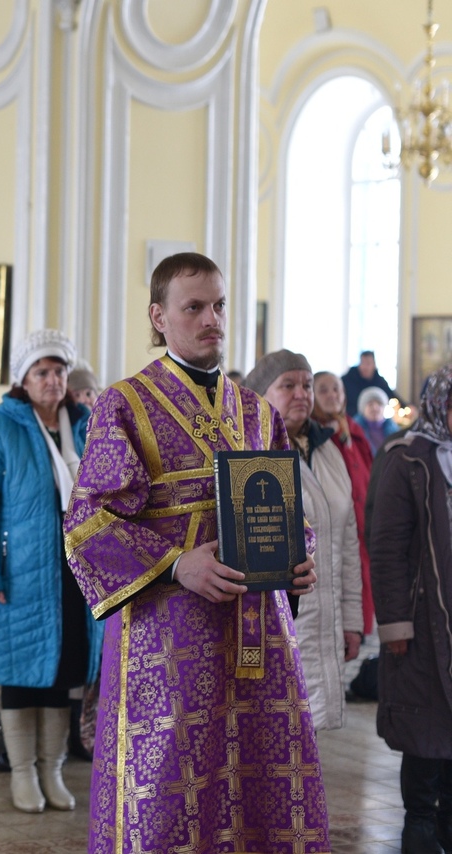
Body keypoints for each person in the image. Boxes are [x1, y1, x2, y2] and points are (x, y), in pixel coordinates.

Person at [63, 252, 325, 852]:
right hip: (169, 638)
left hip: (260, 636)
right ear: (159, 317)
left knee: (264, 789)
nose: (213, 319)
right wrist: (179, 563)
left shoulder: (257, 411)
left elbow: (290, 513)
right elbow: (88, 523)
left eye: (220, 305)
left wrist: (297, 558)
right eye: (195, 307)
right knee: (168, 799)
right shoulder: (124, 405)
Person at [0, 329, 102, 813]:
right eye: (42, 372)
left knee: (64, 674)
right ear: (23, 378)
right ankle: (23, 773)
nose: (52, 379)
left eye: (59, 370)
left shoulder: (85, 425)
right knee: (22, 677)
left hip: (74, 577)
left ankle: (53, 770)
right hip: (20, 576)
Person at [246, 351, 363, 731]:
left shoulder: (328, 450)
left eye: (307, 385)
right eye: (288, 385)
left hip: (327, 614)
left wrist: (352, 620)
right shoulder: (251, 452)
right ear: (262, 393)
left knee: (310, 731)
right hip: (278, 619)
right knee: (276, 727)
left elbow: (347, 542)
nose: (302, 393)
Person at [369, 363, 452, 853]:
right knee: (426, 727)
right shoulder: (406, 458)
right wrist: (395, 623)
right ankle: (419, 825)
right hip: (423, 620)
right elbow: (386, 548)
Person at [313, 370, 375, 636]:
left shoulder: (354, 432)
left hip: (361, 532)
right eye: (323, 390)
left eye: (336, 389)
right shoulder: (314, 437)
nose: (331, 395)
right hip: (332, 535)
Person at [343, 350, 402, 416]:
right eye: (362, 363)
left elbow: (392, 396)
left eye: (368, 363)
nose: (364, 367)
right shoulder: (348, 379)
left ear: (374, 365)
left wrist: (407, 407)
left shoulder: (379, 381)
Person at [355, 386, 400, 454]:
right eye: (370, 404)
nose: (375, 408)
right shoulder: (355, 432)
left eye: (379, 404)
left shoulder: (394, 431)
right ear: (362, 408)